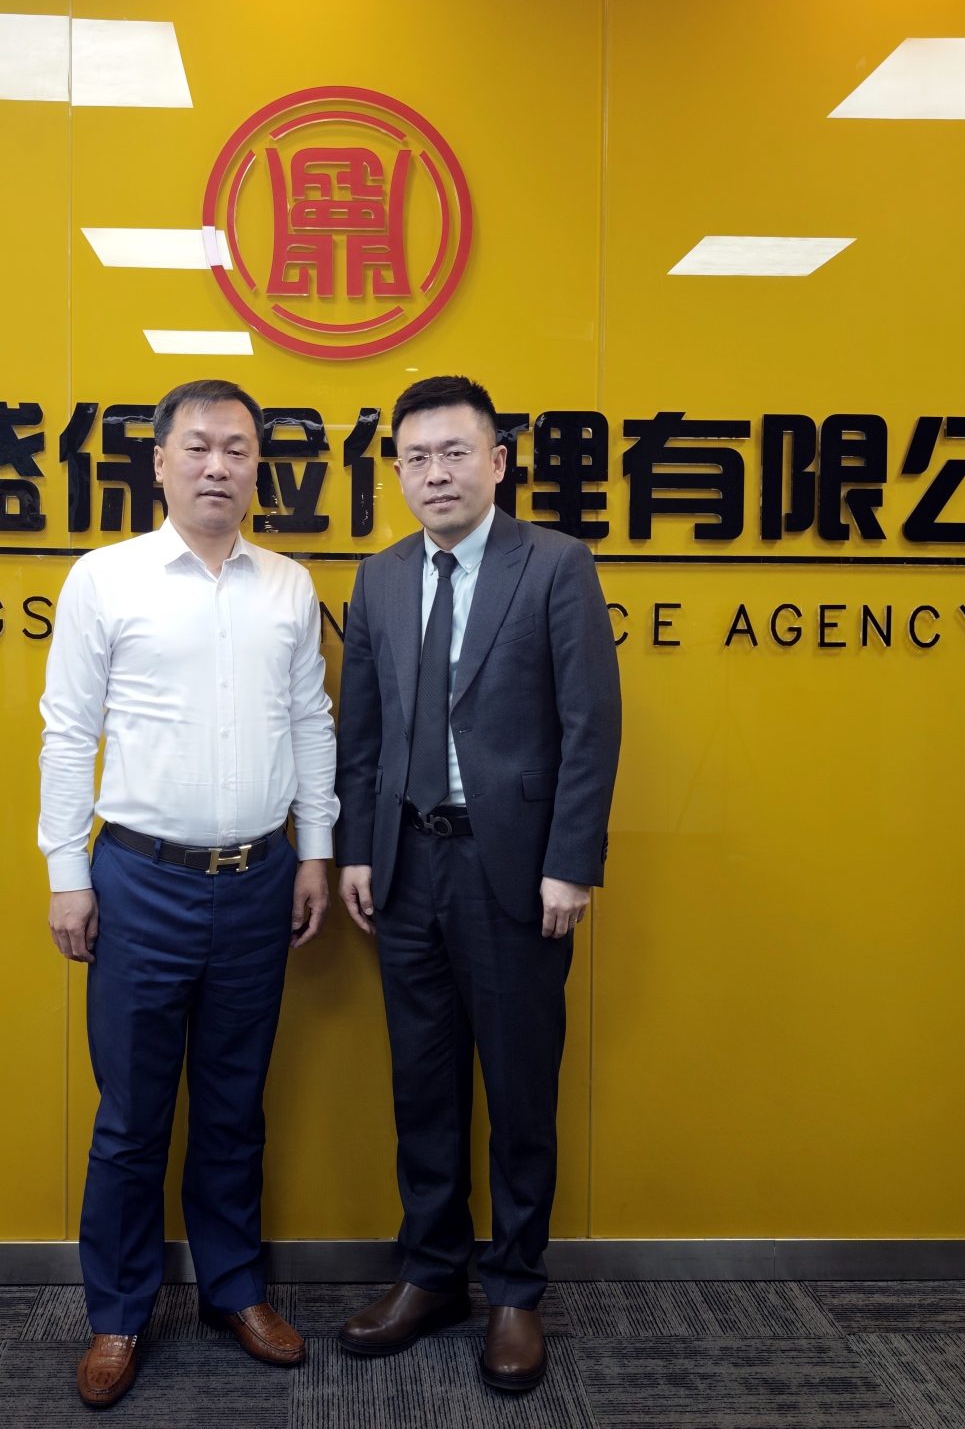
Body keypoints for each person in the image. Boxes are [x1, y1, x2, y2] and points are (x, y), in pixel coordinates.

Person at [38, 379, 336, 1409]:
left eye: (238, 449)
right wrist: (66, 873)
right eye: (199, 446)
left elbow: (310, 722)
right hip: (138, 883)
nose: (218, 466)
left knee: (234, 1105)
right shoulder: (105, 578)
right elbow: (67, 732)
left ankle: (234, 1290)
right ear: (159, 460)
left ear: (257, 468)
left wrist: (314, 852)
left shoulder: (288, 585)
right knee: (131, 1116)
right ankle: (118, 1313)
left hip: (258, 879)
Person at [334, 374, 622, 1392]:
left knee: (519, 1088)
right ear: (398, 473)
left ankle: (514, 1291)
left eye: (454, 452)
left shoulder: (554, 565)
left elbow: (591, 726)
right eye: (415, 457)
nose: (435, 473)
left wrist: (569, 864)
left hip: (515, 873)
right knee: (422, 1086)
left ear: (496, 462)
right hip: (406, 866)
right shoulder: (378, 578)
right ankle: (431, 1274)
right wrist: (358, 849)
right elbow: (362, 731)